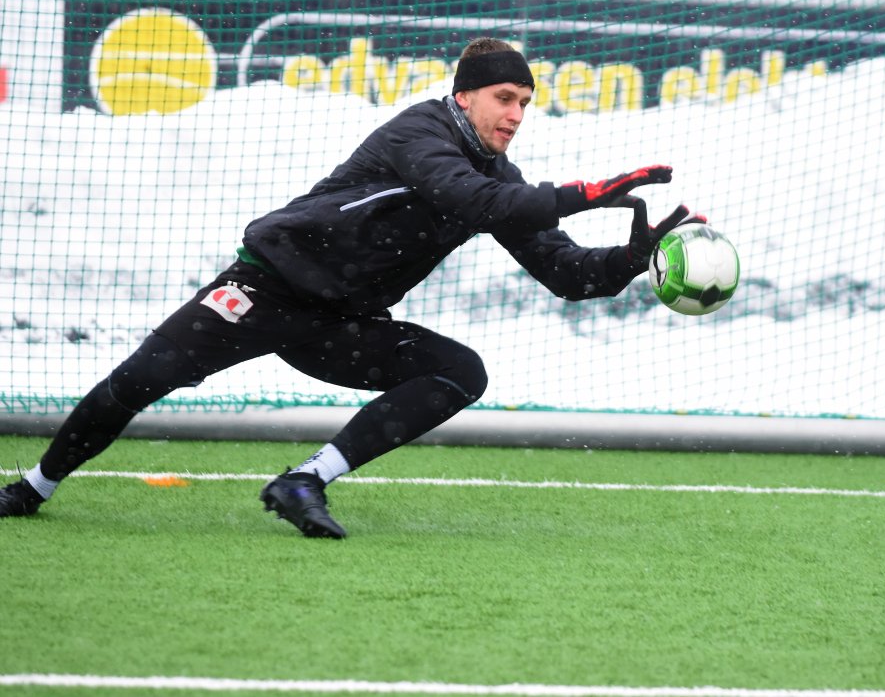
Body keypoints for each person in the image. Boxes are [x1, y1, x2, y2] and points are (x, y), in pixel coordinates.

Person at [0, 37, 697, 538]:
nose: (515, 114)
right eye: (504, 98)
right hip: (267, 287)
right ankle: (33, 488)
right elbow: (470, 198)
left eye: (525, 103)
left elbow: (567, 275)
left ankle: (305, 480)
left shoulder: (501, 179)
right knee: (139, 379)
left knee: (460, 372)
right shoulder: (420, 132)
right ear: (464, 96)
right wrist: (589, 192)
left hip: (338, 325)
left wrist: (632, 258)